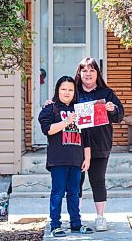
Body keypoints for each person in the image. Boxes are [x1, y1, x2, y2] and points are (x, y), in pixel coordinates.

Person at [38, 76, 94, 237]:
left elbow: (87, 136)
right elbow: (47, 129)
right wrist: (66, 122)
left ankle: (76, 223)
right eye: (63, 89)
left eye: (70, 89)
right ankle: (55, 225)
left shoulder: (80, 109)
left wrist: (87, 158)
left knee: (74, 193)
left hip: (76, 159)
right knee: (57, 192)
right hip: (58, 160)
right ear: (57, 90)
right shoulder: (51, 108)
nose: (67, 92)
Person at [74, 57, 124, 232]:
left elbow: (119, 116)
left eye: (92, 70)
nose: (88, 74)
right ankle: (76, 218)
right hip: (75, 144)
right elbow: (59, 108)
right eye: (84, 70)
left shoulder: (106, 93)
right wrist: (50, 104)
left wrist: (113, 109)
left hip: (100, 144)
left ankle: (100, 217)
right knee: (76, 181)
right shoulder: (73, 92)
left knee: (97, 180)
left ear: (97, 73)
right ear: (79, 73)